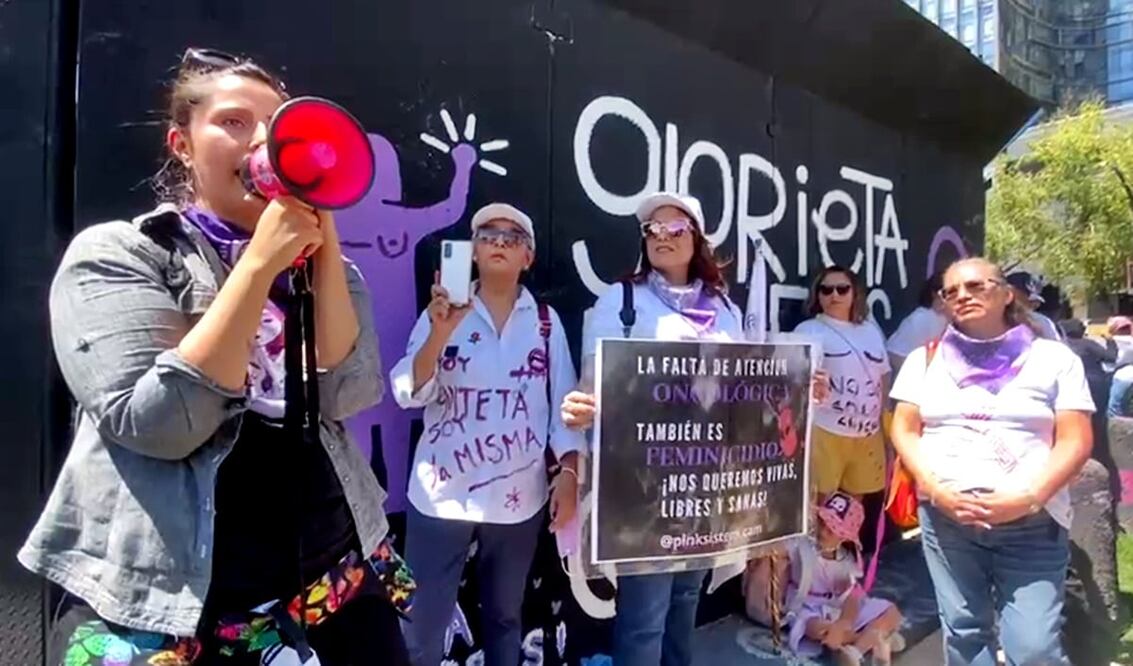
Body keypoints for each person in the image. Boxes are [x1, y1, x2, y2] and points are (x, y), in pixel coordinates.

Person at [22, 49, 411, 665]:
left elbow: (347, 389)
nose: (262, 141)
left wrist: (321, 225)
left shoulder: (332, 269)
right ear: (182, 144)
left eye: (277, 127)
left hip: (329, 589)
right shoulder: (122, 255)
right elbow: (161, 423)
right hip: (174, 613)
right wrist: (258, 265)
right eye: (233, 122)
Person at [391, 203, 584, 666]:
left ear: (527, 258)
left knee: (504, 620)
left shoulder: (545, 322)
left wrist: (572, 473)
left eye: (513, 237)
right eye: (488, 235)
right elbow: (408, 392)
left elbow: (564, 405)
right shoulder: (441, 313)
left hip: (517, 499)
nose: (500, 242)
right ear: (472, 253)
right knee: (420, 628)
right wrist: (439, 333)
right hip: (440, 496)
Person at [559, 192, 745, 666]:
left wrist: (803, 390)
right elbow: (593, 381)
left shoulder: (724, 308)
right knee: (644, 617)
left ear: (695, 239)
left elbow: (746, 387)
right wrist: (582, 409)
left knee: (685, 604)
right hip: (644, 487)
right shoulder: (620, 299)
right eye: (651, 230)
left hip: (706, 486)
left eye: (674, 228)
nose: (660, 236)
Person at [889, 257, 1094, 665]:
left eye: (976, 286)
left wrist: (1029, 499)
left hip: (1032, 526)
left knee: (1033, 647)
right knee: (964, 633)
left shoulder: (1053, 359)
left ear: (1005, 294)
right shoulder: (923, 361)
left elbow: (1076, 439)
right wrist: (935, 489)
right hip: (948, 523)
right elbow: (904, 429)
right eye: (951, 292)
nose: (962, 296)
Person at [794, 266, 890, 499]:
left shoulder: (870, 330)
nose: (834, 295)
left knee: (853, 510)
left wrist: (884, 420)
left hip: (867, 433)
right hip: (826, 430)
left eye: (842, 289)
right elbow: (792, 381)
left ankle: (844, 539)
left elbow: (883, 375)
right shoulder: (807, 330)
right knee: (820, 505)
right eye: (826, 290)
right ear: (817, 295)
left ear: (854, 293)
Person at [780, 493, 904, 666]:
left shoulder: (846, 563)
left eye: (831, 530)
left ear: (844, 537)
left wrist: (845, 622)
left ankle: (855, 651)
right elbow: (780, 552)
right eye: (822, 523)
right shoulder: (800, 545)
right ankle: (871, 637)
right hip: (805, 605)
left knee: (891, 612)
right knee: (816, 627)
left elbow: (851, 597)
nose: (823, 531)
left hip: (835, 607)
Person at [886, 271, 948, 376]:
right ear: (935, 294)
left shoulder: (949, 318)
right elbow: (894, 355)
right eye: (949, 292)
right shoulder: (921, 319)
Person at [1005, 271, 1063, 341]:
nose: (1035, 305)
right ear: (1009, 294)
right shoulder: (993, 318)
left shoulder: (1043, 322)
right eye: (1029, 301)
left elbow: (1055, 348)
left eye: (1035, 302)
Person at [1106, 316, 1133, 417]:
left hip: (1121, 377)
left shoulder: (1112, 341)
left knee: (1113, 409)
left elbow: (1109, 362)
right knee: (1125, 408)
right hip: (1128, 377)